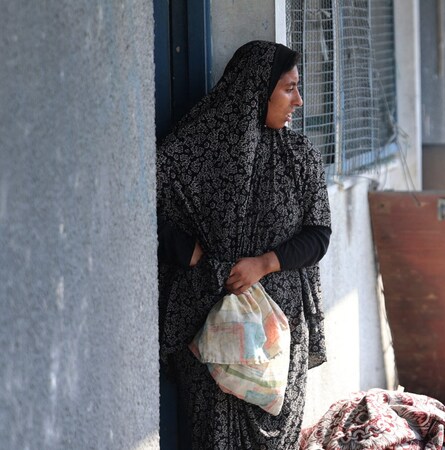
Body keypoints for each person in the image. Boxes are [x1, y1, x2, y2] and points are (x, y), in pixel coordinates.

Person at [156, 40, 332, 449]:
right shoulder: (196, 148)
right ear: (257, 88)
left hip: (276, 332)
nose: (299, 101)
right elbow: (146, 207)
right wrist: (194, 253)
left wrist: (264, 264)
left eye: (298, 88)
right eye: (289, 88)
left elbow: (318, 234)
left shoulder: (299, 157)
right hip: (211, 326)